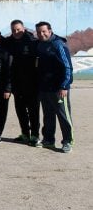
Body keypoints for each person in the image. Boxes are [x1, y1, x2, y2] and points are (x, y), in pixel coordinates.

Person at [35, 21, 74, 153]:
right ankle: (48, 140)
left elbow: (67, 67)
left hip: (58, 89)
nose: (41, 34)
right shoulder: (39, 45)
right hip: (44, 88)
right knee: (48, 115)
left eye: (44, 31)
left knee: (64, 116)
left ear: (50, 31)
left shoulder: (58, 45)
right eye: (39, 32)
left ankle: (68, 141)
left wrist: (64, 86)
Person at [4, 20, 41, 147]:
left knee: (33, 111)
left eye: (18, 29)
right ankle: (25, 134)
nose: (16, 32)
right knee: (20, 111)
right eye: (13, 29)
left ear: (23, 28)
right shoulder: (9, 41)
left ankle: (35, 135)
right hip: (16, 83)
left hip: (32, 83)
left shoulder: (32, 42)